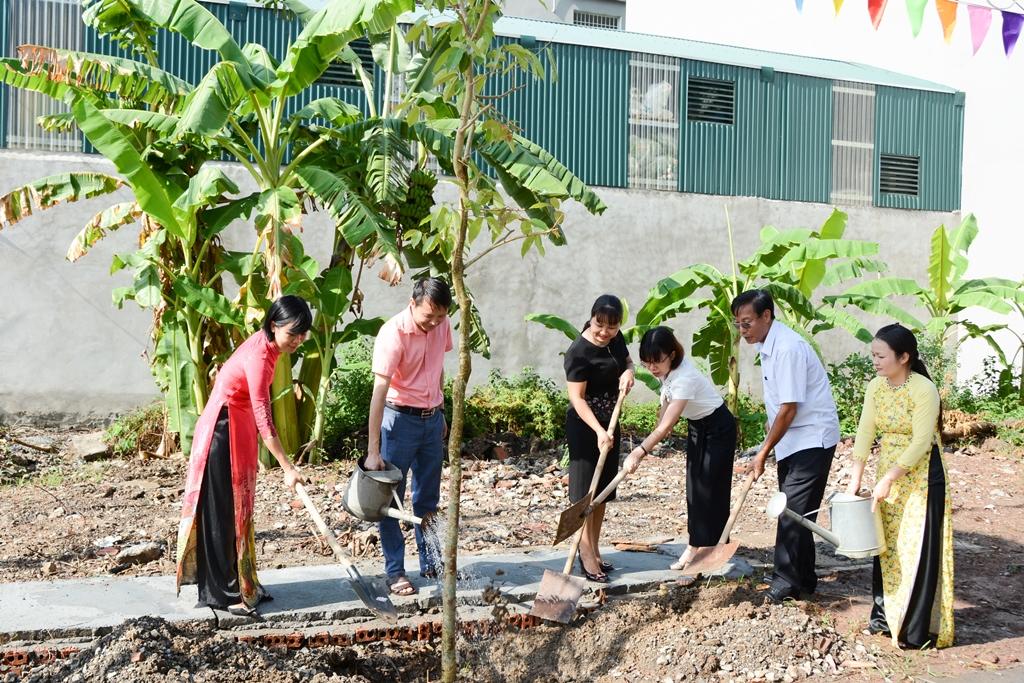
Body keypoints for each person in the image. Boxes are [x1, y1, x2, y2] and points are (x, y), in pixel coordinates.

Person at [176, 295, 310, 617]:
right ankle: (224, 594)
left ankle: (244, 583)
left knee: (240, 510)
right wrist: (287, 468)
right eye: (293, 333)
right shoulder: (259, 358)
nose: (298, 340)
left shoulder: (270, 347)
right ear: (275, 325)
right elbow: (265, 418)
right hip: (222, 432)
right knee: (224, 514)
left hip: (238, 426)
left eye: (303, 334)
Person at [847, 324, 954, 649]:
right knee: (886, 544)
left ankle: (914, 632)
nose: (875, 362)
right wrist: (855, 477)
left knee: (917, 546)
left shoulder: (923, 390)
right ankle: (882, 619)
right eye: (874, 355)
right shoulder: (876, 388)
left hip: (921, 475)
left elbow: (922, 441)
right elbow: (865, 433)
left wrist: (889, 478)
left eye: (881, 356)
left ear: (904, 357)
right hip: (887, 471)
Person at [731, 289, 840, 604]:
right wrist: (769, 437)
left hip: (811, 439)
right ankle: (804, 578)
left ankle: (785, 581)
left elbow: (789, 409)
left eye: (747, 322)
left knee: (790, 511)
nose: (743, 330)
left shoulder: (788, 347)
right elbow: (780, 407)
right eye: (739, 324)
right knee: (799, 511)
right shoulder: (769, 345)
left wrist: (762, 452)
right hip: (793, 439)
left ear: (767, 316)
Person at [623, 326, 737, 576]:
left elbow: (667, 426)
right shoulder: (666, 372)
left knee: (711, 489)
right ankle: (695, 545)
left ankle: (707, 549)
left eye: (657, 361)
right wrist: (647, 445)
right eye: (647, 362)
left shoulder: (685, 378)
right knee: (694, 488)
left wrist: (639, 452)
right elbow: (662, 414)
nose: (652, 368)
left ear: (672, 355)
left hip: (719, 429)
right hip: (698, 427)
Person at [366, 277, 453, 597]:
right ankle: (395, 572)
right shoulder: (393, 334)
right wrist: (373, 450)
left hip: (431, 422)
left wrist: (440, 407)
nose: (434, 323)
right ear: (412, 302)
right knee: (390, 500)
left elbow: (438, 366)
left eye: (441, 317)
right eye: (428, 316)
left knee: (428, 498)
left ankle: (431, 561)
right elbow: (379, 392)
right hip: (398, 421)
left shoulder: (442, 325)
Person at [563, 294, 635, 583]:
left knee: (602, 491)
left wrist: (629, 372)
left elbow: (627, 359)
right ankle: (585, 554)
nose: (604, 332)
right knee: (585, 493)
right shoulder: (578, 353)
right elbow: (577, 399)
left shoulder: (615, 339)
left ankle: (595, 547)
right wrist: (598, 431)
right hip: (586, 427)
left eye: (611, 326)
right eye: (599, 325)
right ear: (591, 318)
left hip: (610, 423)